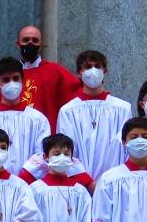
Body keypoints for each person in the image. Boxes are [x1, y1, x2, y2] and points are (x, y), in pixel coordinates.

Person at [56, 50, 131, 181]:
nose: (93, 70)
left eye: (97, 66)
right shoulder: (68, 111)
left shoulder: (122, 109)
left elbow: (125, 148)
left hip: (115, 183)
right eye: (88, 67)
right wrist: (88, 183)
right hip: (80, 186)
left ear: (105, 71)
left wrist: (110, 183)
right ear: (79, 73)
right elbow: (66, 150)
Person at [0, 57, 51, 176]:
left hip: (28, 186)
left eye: (16, 78)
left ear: (22, 82)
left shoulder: (38, 119)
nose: (11, 83)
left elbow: (43, 153)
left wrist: (23, 180)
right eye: (6, 80)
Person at [15, 25, 83, 131]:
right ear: (18, 44)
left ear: (40, 45)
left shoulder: (55, 71)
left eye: (35, 40)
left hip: (47, 137)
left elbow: (77, 91)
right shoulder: (9, 75)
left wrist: (98, 95)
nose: (30, 43)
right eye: (26, 40)